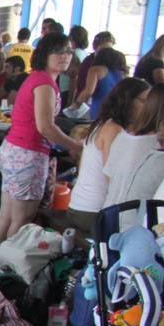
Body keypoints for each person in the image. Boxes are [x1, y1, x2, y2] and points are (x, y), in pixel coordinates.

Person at [0, 33, 84, 248]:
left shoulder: (39, 78)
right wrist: (75, 146)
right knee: (20, 219)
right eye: (57, 51)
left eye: (68, 51)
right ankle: (5, 269)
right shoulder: (44, 83)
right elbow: (46, 127)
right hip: (27, 154)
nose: (64, 56)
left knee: (6, 215)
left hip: (14, 150)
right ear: (44, 55)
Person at [67, 78, 150, 232]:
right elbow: (112, 175)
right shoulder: (114, 129)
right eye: (143, 101)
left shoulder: (104, 123)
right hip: (92, 211)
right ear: (127, 101)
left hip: (81, 206)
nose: (147, 107)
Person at [105, 84, 164, 208]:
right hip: (135, 222)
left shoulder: (122, 137)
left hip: (108, 215)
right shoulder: (156, 146)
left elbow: (109, 178)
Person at [74, 47, 128, 121]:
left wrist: (77, 104)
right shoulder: (122, 73)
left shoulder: (95, 69)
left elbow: (89, 91)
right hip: (118, 109)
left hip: (100, 107)